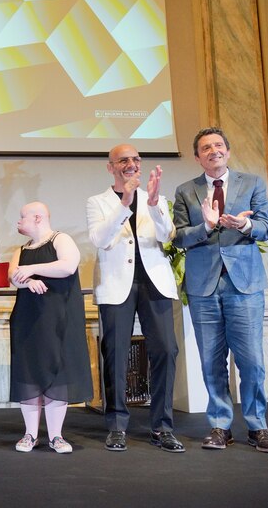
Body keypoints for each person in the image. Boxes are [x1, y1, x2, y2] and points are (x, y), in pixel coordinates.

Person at [172, 128, 268, 453]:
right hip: (204, 286)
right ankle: (220, 426)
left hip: (243, 284)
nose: (213, 151)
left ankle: (257, 426)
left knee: (251, 361)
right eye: (206, 147)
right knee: (211, 360)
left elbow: (265, 227)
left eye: (218, 145)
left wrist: (244, 225)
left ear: (228, 152)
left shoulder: (253, 183)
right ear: (197, 157)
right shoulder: (185, 191)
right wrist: (206, 226)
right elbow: (178, 237)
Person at [86, 144, 184, 453]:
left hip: (154, 281)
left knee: (166, 350)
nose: (131, 164)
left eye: (136, 159)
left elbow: (167, 234)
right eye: (123, 160)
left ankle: (162, 426)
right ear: (111, 166)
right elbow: (100, 239)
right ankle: (116, 426)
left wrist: (153, 204)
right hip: (116, 285)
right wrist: (125, 202)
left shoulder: (158, 199)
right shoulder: (97, 202)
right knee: (115, 353)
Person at [8, 202, 92, 454]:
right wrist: (28, 282)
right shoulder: (20, 250)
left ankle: (56, 435)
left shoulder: (60, 239)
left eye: (22, 217)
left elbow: (68, 265)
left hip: (59, 317)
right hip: (29, 318)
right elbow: (13, 275)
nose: (19, 222)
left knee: (58, 372)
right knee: (29, 372)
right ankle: (30, 434)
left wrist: (31, 270)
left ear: (37, 218)